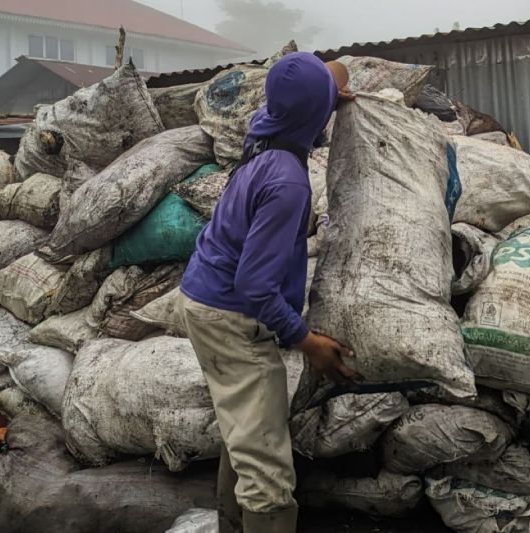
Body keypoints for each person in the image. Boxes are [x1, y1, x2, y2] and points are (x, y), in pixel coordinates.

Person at [177, 52, 359, 533]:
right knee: (267, 465)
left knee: (247, 428)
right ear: (316, 113)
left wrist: (329, 94)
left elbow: (324, 79)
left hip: (203, 294)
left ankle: (230, 524)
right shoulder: (288, 183)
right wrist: (306, 340)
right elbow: (255, 286)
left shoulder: (267, 128)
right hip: (231, 313)